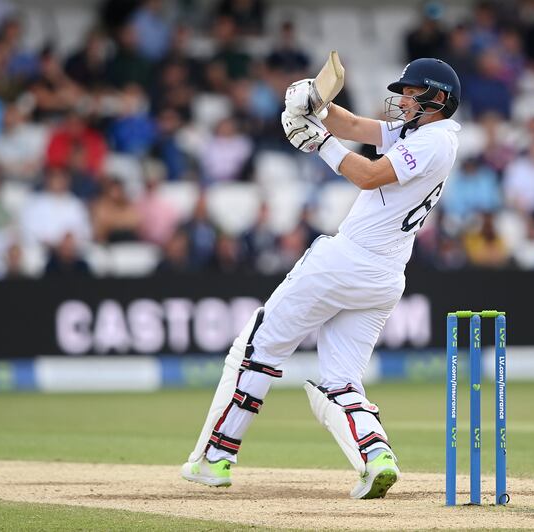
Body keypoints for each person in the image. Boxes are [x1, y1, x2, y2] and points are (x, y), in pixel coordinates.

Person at [181, 58, 461, 500]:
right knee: (341, 379)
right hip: (384, 276)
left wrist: (321, 144)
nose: (403, 99)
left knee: (258, 347)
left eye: (411, 93)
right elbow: (353, 124)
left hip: (347, 261)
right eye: (403, 91)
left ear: (438, 98)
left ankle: (215, 456)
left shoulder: (435, 141)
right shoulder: (418, 133)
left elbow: (368, 176)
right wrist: (314, 101)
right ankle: (376, 457)